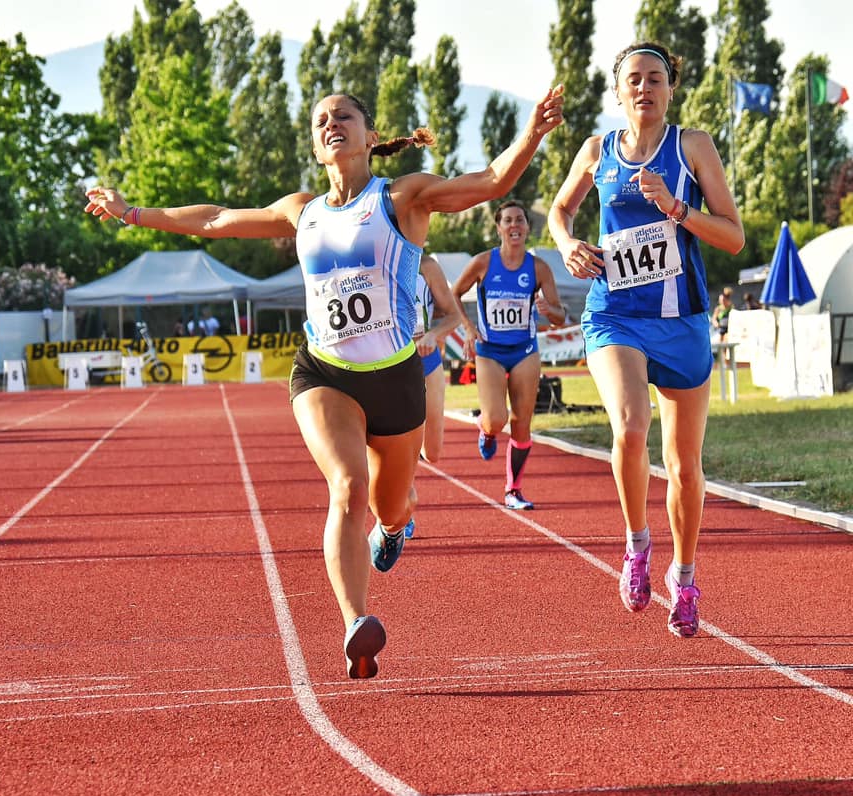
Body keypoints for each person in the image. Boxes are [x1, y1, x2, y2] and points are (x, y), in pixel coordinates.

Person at [85, 87, 564, 678]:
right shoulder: (302, 210)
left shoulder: (403, 197)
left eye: (344, 116)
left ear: (368, 134)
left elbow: (490, 181)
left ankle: (395, 526)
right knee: (345, 486)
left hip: (394, 378)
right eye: (320, 121)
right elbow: (214, 219)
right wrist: (133, 213)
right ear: (316, 145)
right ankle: (356, 622)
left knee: (390, 503)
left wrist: (533, 133)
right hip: (324, 371)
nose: (331, 124)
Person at [547, 41, 743, 638]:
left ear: (670, 89)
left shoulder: (694, 146)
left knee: (684, 466)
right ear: (618, 91)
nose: (643, 88)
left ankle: (684, 578)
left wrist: (678, 208)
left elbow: (733, 236)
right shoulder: (595, 151)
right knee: (631, 427)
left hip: (681, 320)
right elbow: (558, 210)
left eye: (654, 78)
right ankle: (636, 545)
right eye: (633, 79)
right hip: (615, 315)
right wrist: (565, 244)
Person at [452, 200, 567, 510]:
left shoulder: (539, 268)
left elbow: (560, 316)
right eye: (508, 221)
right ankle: (486, 431)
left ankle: (513, 490)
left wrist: (549, 309)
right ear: (499, 227)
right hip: (489, 350)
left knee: (521, 423)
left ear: (528, 228)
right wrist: (468, 328)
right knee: (495, 419)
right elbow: (453, 295)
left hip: (525, 350)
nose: (514, 226)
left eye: (520, 220)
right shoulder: (483, 263)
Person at [404, 253, 466, 539]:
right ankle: (400, 506)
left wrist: (433, 334)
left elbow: (453, 315)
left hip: (427, 358)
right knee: (400, 440)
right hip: (391, 362)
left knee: (433, 452)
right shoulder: (375, 261)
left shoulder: (426, 266)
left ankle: (406, 449)